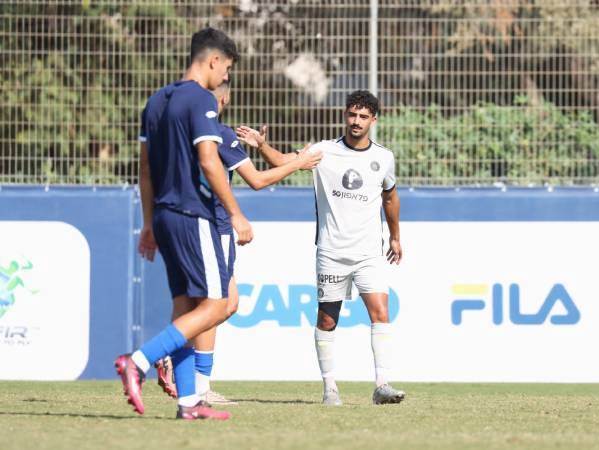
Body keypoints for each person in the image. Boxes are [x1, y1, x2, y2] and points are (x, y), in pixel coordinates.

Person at [154, 81, 322, 404]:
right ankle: (171, 353)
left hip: (191, 222)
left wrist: (267, 148)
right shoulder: (220, 133)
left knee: (217, 304)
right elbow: (257, 180)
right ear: (225, 97)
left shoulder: (182, 133)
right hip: (217, 226)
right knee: (222, 304)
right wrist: (299, 164)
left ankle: (199, 384)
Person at [236, 90, 405, 406]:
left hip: (369, 252)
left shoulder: (383, 157)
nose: (356, 121)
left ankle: (382, 384)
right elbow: (283, 162)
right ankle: (330, 389)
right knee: (328, 320)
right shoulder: (323, 151)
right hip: (331, 251)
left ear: (373, 120)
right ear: (345, 115)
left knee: (381, 313)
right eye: (352, 115)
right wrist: (261, 146)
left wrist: (395, 236)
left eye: (363, 116)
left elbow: (390, 198)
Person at [115, 27, 250, 421]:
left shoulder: (156, 100)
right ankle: (138, 362)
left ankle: (189, 403)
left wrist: (148, 223)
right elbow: (209, 161)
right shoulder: (200, 98)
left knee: (185, 308)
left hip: (164, 215)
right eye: (226, 68)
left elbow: (144, 170)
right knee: (217, 304)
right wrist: (237, 213)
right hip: (194, 215)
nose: (226, 77)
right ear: (214, 61)